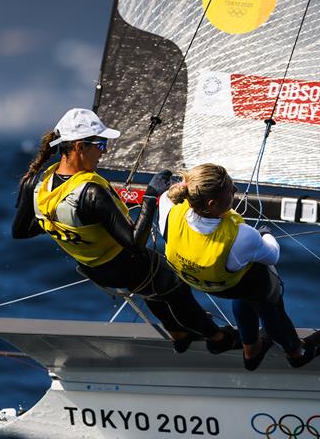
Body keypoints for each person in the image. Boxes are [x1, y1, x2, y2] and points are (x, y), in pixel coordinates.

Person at [12, 108, 237, 353]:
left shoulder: (36, 182)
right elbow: (134, 242)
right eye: (100, 143)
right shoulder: (90, 192)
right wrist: (151, 195)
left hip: (96, 270)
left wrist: (68, 225)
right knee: (175, 287)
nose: (105, 150)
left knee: (152, 289)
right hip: (126, 264)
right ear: (78, 146)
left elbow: (21, 230)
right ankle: (217, 338)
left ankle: (178, 333)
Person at [158, 163, 320, 371]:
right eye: (230, 188)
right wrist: (265, 234)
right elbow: (273, 255)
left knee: (245, 277)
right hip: (232, 285)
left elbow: (169, 197)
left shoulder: (168, 206)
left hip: (199, 282)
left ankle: (251, 349)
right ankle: (297, 352)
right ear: (212, 203)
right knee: (266, 294)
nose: (235, 190)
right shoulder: (242, 236)